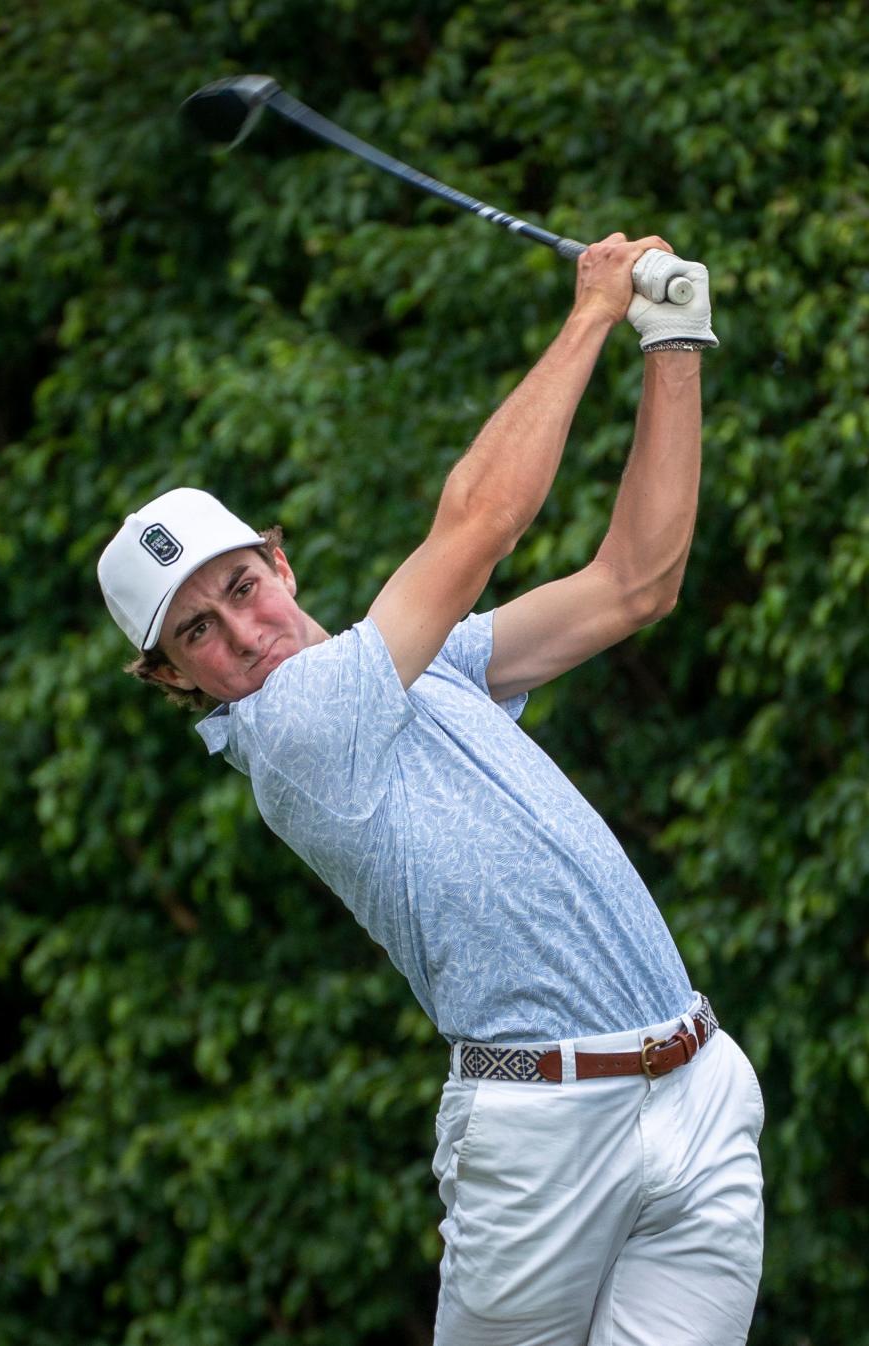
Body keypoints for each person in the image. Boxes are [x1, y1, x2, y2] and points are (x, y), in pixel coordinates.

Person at [97, 234, 763, 1346]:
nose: (243, 632)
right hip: (544, 1130)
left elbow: (633, 584)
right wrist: (593, 309)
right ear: (174, 679)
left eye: (242, 585)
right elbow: (479, 523)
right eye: (198, 631)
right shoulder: (295, 731)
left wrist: (674, 341)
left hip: (696, 1088)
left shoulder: (425, 664)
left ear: (281, 563)